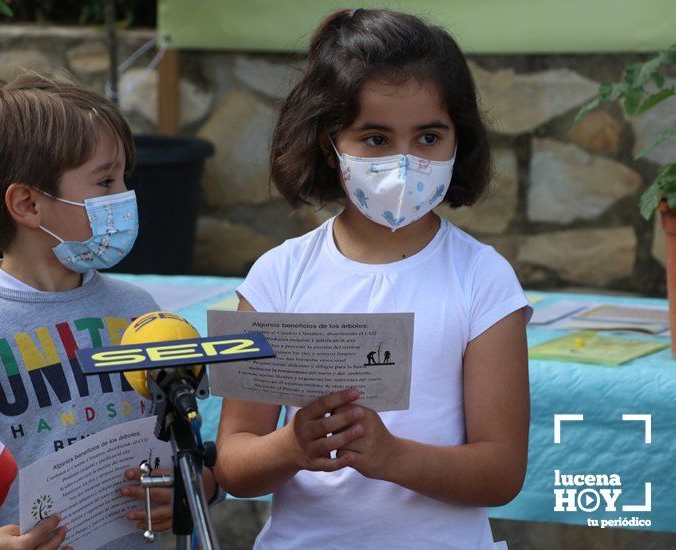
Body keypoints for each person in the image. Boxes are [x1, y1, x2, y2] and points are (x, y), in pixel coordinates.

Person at [215, 8, 531, 549]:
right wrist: (291, 447)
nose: (405, 162)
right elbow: (234, 462)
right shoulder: (278, 277)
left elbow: (502, 472)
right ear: (328, 143)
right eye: (376, 139)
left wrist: (392, 457)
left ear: (460, 138)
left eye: (429, 137)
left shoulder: (483, 279)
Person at [0, 74, 218, 549]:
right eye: (105, 179)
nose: (124, 195)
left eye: (124, 176)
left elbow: (184, 446)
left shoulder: (140, 313)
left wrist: (190, 491)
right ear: (27, 203)